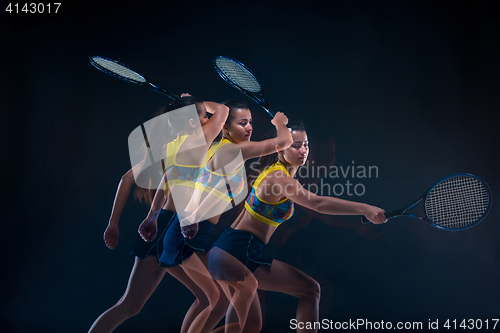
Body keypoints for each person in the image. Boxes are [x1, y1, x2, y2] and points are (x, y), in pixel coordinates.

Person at [208, 122, 387, 333]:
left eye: (306, 145)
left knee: (249, 327)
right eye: (296, 145)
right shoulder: (279, 178)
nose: (303, 151)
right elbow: (317, 204)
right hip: (235, 253)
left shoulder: (280, 174)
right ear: (280, 148)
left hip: (235, 252)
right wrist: (365, 208)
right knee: (310, 290)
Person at [138, 100, 293, 332]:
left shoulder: (211, 148)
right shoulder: (234, 150)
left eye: (250, 122)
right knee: (222, 299)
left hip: (189, 229)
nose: (250, 128)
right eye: (242, 123)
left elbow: (172, 174)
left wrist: (153, 217)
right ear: (225, 129)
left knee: (218, 304)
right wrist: (280, 123)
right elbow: (284, 142)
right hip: (189, 231)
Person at [88, 95, 229, 333]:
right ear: (194, 122)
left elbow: (126, 178)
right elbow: (223, 110)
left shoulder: (169, 146)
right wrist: (197, 101)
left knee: (209, 298)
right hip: (168, 227)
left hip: (171, 225)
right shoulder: (200, 138)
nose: (209, 118)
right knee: (131, 305)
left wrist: (113, 223)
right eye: (204, 115)